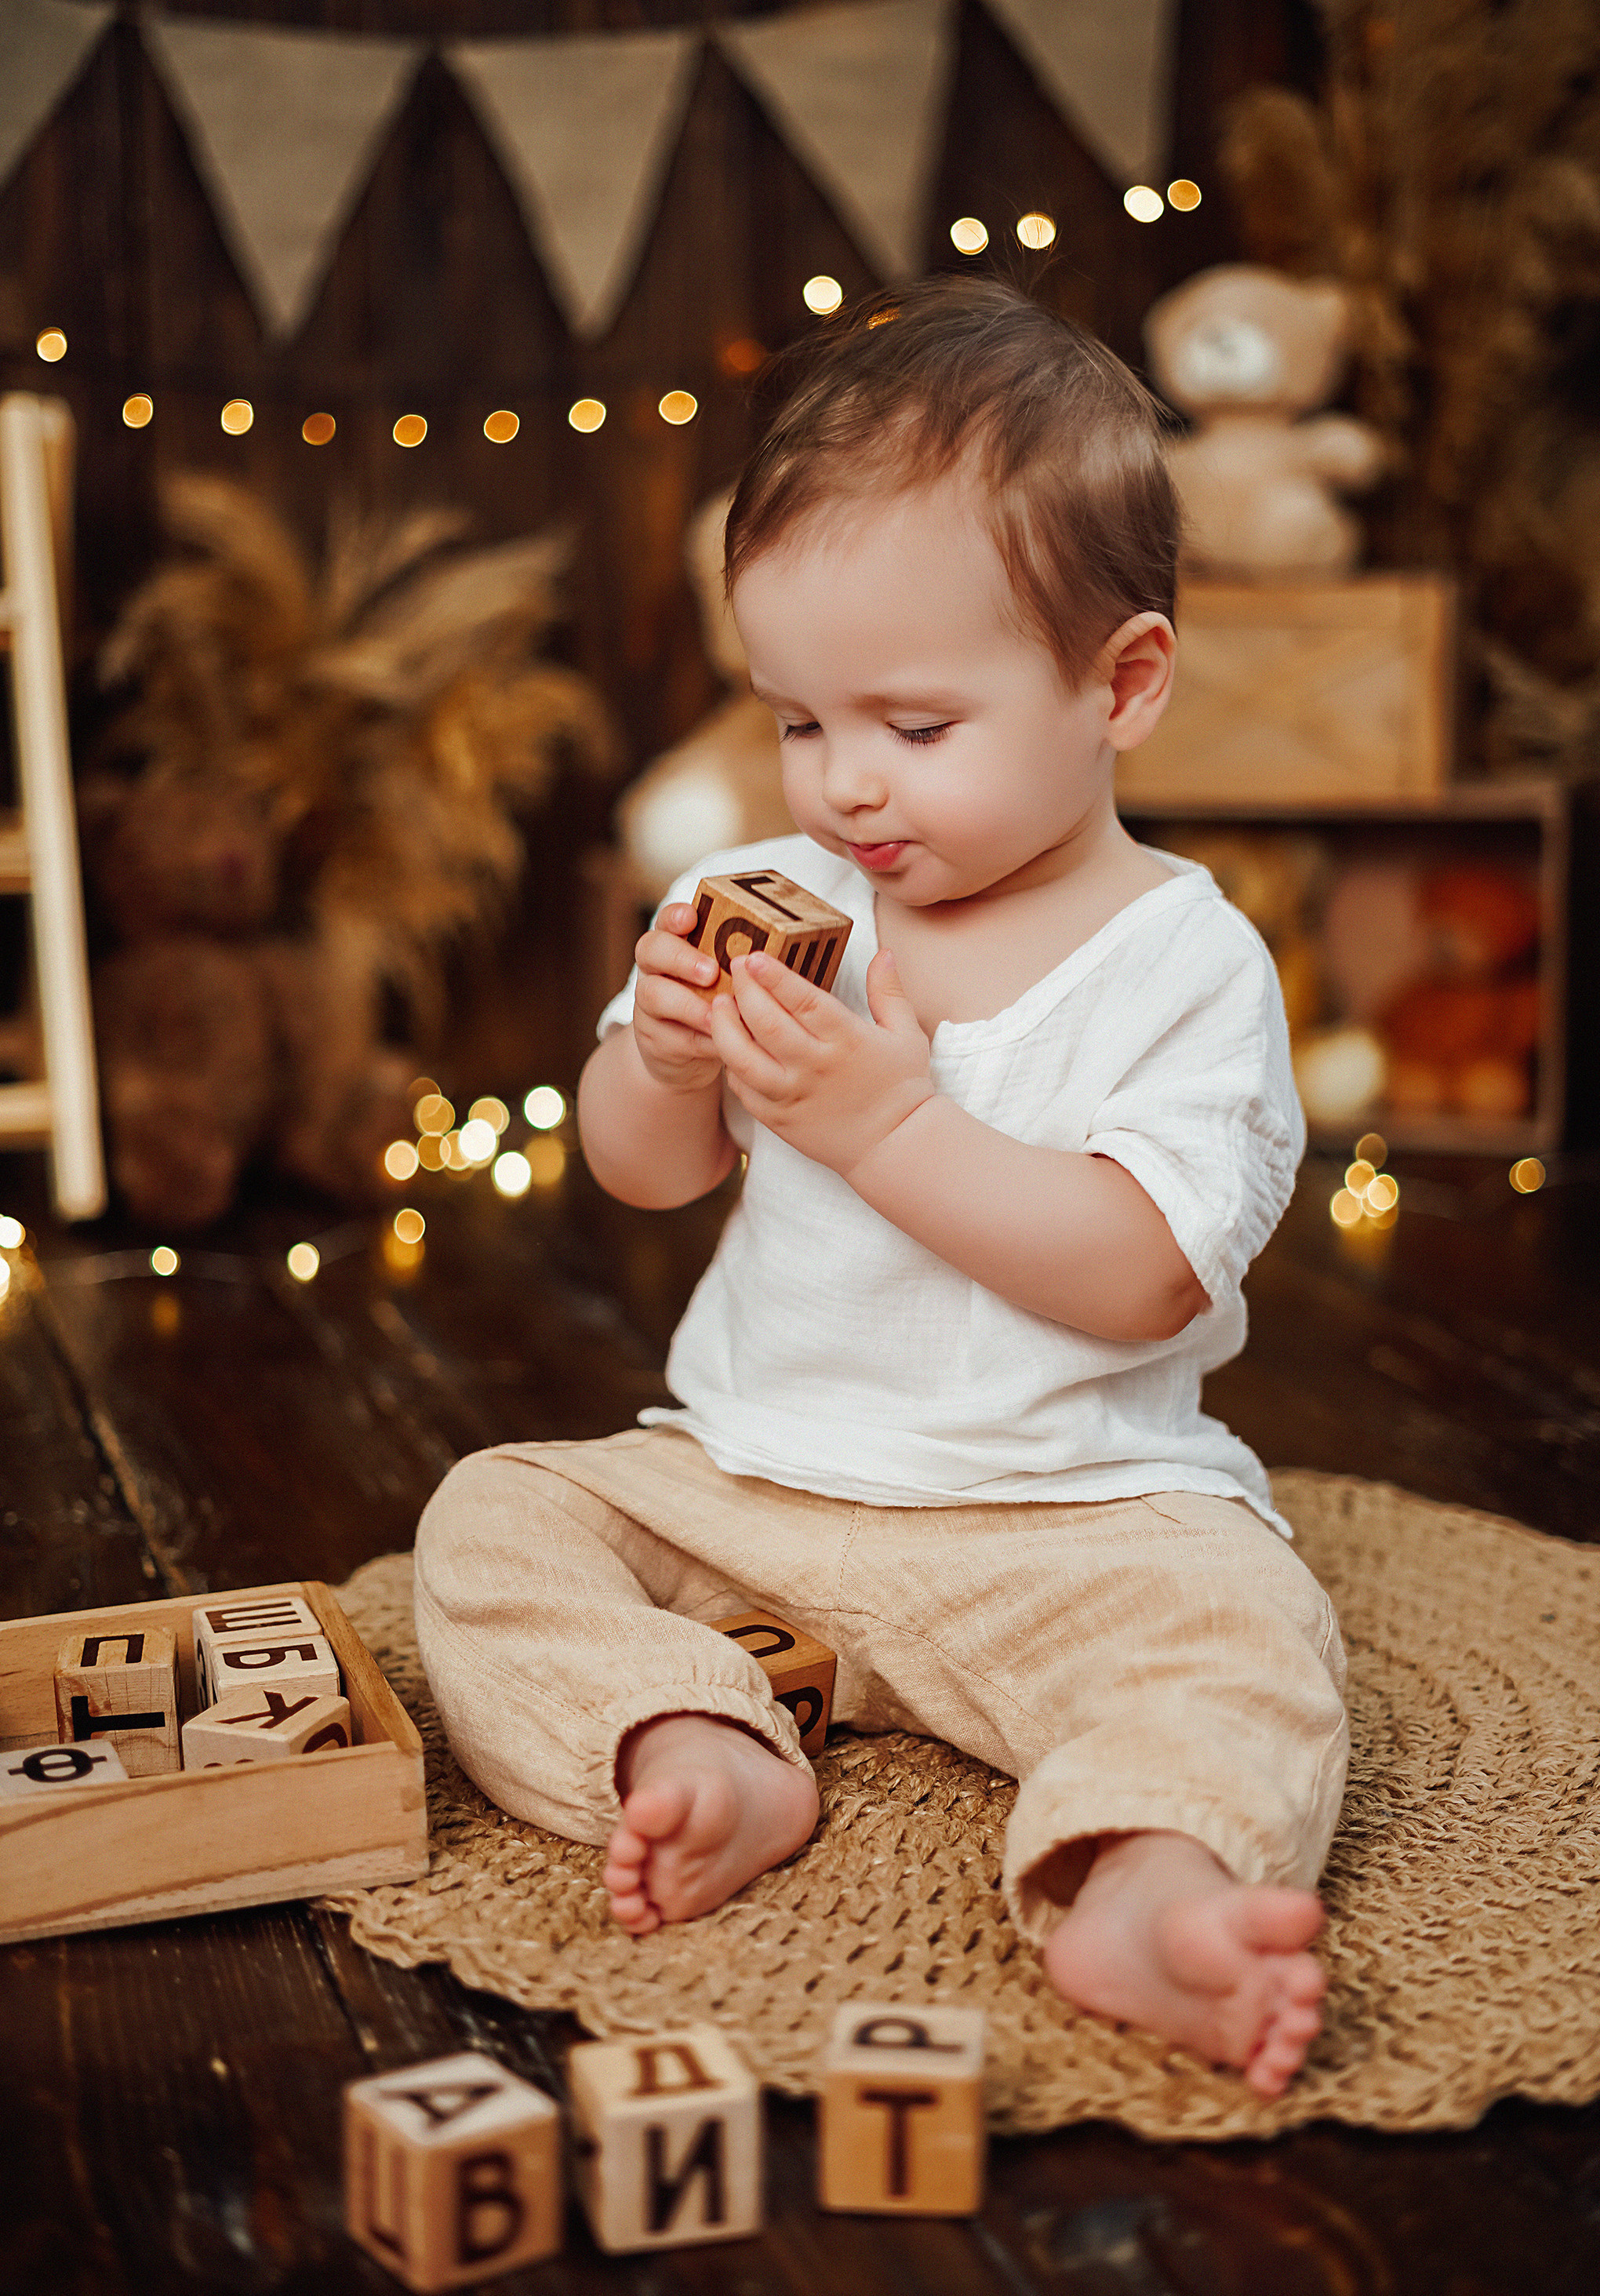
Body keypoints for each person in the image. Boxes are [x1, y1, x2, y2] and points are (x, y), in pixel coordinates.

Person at [415, 277, 1348, 2100]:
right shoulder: (771, 898)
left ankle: (1141, 1884)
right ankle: (694, 1735)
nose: (846, 787)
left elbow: (1145, 1275)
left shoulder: (1181, 961)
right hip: (753, 1487)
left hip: (1067, 1521)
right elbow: (642, 1173)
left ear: (1120, 685)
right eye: (797, 722)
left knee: (1251, 1647)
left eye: (915, 728)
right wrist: (661, 1060)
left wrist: (888, 1131)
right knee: (493, 1519)